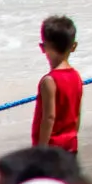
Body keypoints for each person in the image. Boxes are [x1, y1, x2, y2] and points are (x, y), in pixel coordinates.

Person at [28, 19, 80, 156]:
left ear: (43, 47)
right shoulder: (76, 77)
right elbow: (77, 114)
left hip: (51, 149)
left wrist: (41, 150)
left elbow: (49, 118)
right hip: (70, 145)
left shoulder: (49, 81)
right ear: (74, 46)